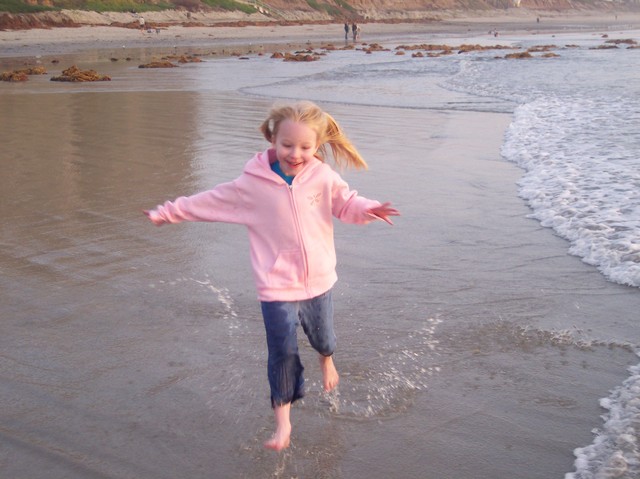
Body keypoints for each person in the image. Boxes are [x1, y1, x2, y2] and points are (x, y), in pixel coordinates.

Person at [144, 100, 400, 452]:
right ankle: (283, 423)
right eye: (287, 145)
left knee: (323, 337)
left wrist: (369, 210)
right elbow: (210, 201)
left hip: (319, 279)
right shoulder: (252, 184)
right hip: (275, 284)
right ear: (272, 138)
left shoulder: (322, 177)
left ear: (317, 145)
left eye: (306, 147)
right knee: (281, 351)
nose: (296, 154)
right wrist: (168, 212)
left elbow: (346, 202)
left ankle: (327, 359)